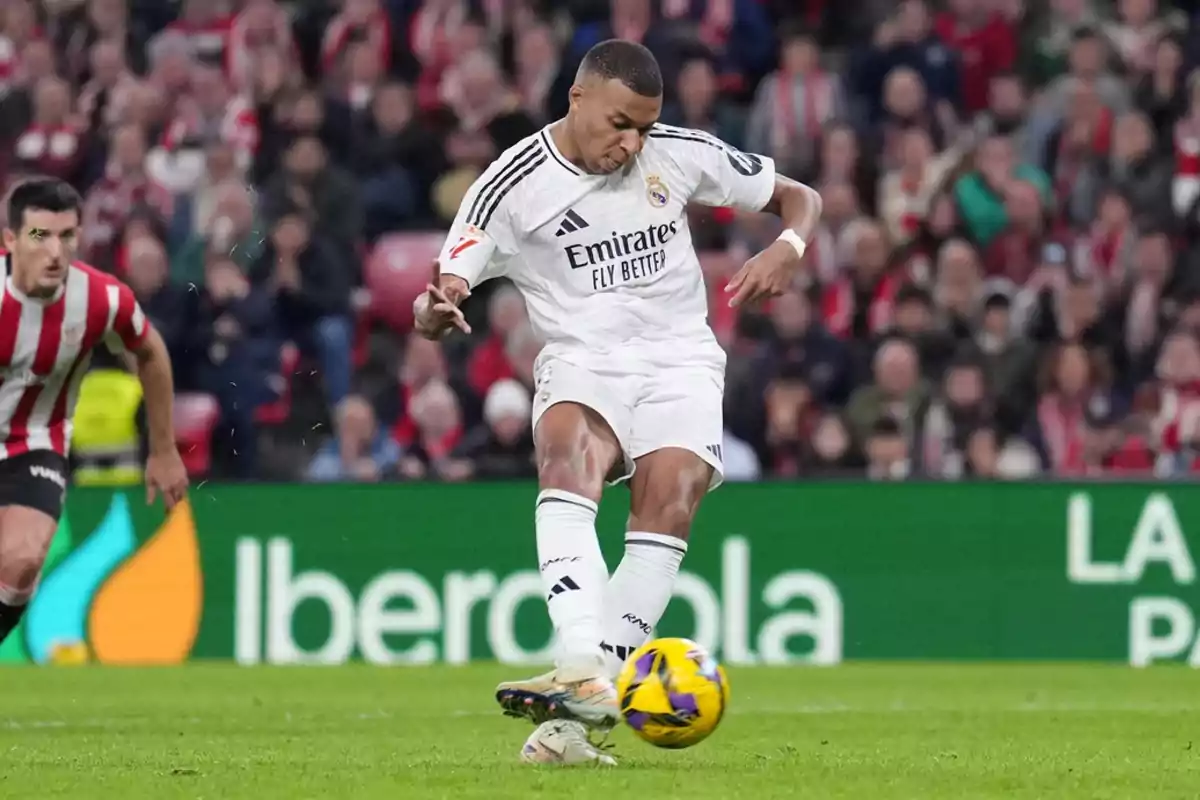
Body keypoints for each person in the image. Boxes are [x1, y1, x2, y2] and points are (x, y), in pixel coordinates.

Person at [413, 40, 822, 766]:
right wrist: (437, 309)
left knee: (670, 503)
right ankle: (581, 661)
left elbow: (802, 196)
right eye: (620, 123)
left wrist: (788, 245)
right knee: (568, 453)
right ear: (577, 99)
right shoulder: (511, 186)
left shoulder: (677, 152)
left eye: (644, 126)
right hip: (585, 359)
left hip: (680, 361)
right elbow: (446, 282)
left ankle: (568, 729)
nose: (632, 142)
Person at [0, 177, 189, 649]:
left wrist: (163, 450)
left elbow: (150, 352)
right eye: (40, 236)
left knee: (21, 563)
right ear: (10, 240)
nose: (55, 253)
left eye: (67, 236)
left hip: (34, 442)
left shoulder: (100, 299)